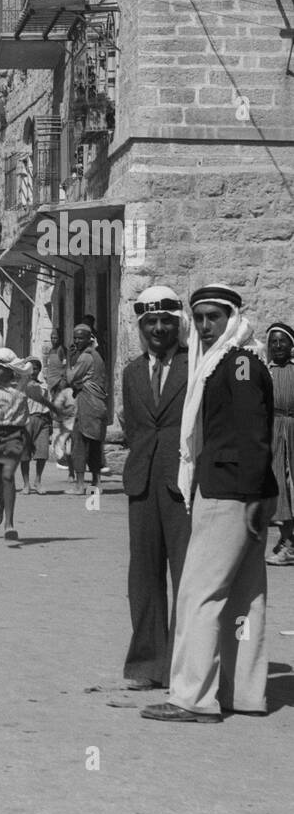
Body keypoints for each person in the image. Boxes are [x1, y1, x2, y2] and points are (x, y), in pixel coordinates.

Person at [143, 284, 277, 723]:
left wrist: (254, 494)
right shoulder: (223, 361)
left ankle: (192, 697)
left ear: (232, 317)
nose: (203, 326)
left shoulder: (237, 363)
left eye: (212, 318)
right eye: (198, 318)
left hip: (229, 491)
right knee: (244, 596)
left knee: (198, 595)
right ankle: (242, 692)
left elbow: (252, 433)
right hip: (240, 489)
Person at [120, 286, 191, 691]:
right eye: (151, 322)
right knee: (143, 577)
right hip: (142, 484)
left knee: (186, 575)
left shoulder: (194, 365)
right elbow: (134, 427)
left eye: (166, 321)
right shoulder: (131, 372)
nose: (159, 329)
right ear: (142, 326)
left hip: (181, 483)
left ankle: (184, 667)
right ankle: (147, 664)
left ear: (177, 324)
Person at [0, 348, 62, 540]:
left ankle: (9, 524)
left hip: (16, 435)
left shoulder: (24, 385)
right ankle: (0, 502)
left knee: (8, 475)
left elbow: (41, 399)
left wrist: (57, 411)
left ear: (9, 370)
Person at [62, 322, 109, 494]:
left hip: (86, 403)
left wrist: (68, 359)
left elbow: (70, 378)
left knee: (79, 443)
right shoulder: (97, 356)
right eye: (75, 337)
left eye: (80, 338)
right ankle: (96, 483)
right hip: (99, 404)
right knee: (95, 444)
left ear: (89, 338)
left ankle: (80, 485)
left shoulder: (85, 357)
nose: (77, 341)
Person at [264, 321, 294, 564]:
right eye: (273, 341)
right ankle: (287, 540)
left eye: (282, 340)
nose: (277, 345)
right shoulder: (266, 371)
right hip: (273, 433)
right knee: (279, 486)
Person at [20, 358, 53, 494]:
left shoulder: (44, 385)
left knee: (42, 452)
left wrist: (50, 423)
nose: (34, 371)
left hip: (42, 419)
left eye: (36, 368)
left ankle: (38, 480)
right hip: (27, 420)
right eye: (31, 368)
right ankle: (26, 483)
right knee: (25, 454)